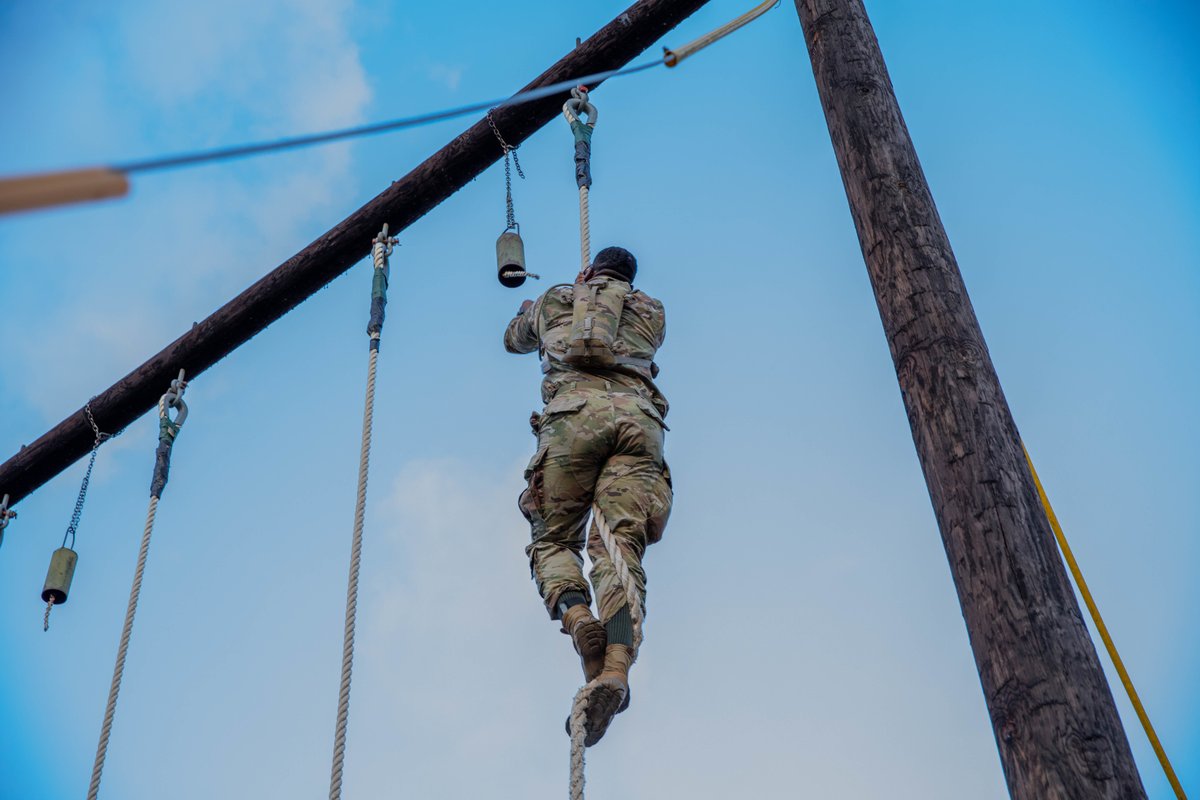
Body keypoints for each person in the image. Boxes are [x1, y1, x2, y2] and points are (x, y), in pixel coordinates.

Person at [504, 245, 672, 746]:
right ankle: (616, 666)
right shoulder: (652, 310)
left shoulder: (556, 300)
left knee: (552, 539)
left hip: (572, 420)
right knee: (618, 545)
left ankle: (579, 620)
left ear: (589, 270)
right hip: (638, 424)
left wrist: (534, 308)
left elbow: (513, 340)